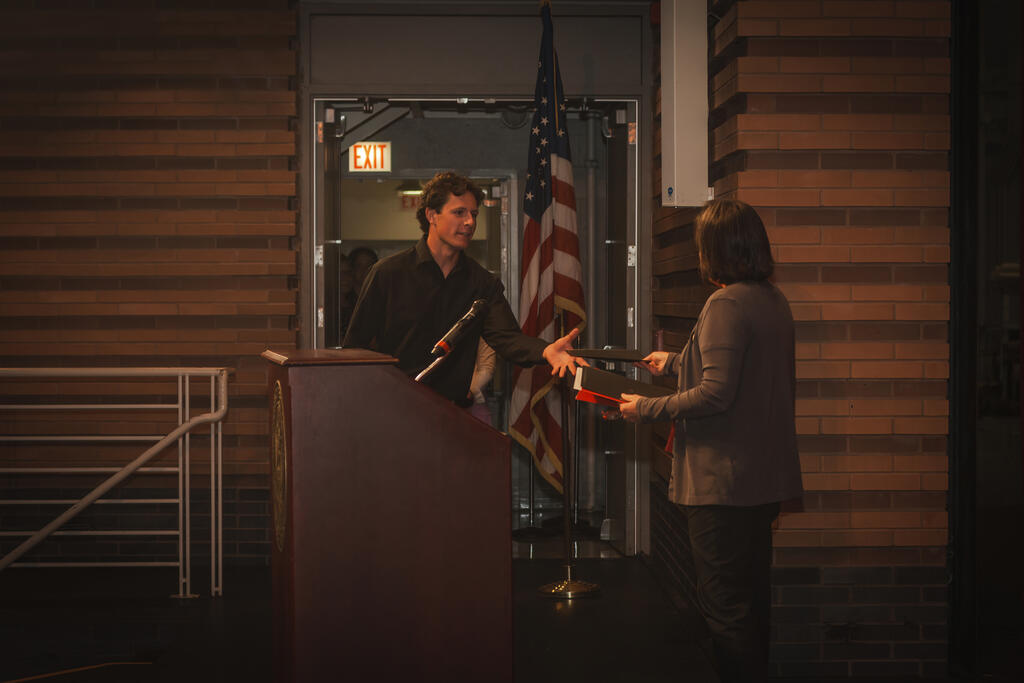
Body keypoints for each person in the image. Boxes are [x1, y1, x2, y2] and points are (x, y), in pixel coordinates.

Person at [619, 199, 803, 683]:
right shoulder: (772, 300)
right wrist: (674, 362)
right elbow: (738, 369)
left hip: (723, 483)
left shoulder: (725, 303)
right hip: (761, 481)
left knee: (724, 608)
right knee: (751, 603)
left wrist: (645, 409)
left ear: (716, 248)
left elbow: (715, 394)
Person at [343, 171, 586, 406]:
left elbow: (507, 338)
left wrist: (546, 350)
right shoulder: (388, 273)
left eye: (473, 214)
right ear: (432, 215)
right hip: (394, 408)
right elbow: (355, 349)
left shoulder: (482, 283)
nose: (470, 222)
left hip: (452, 415)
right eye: (459, 212)